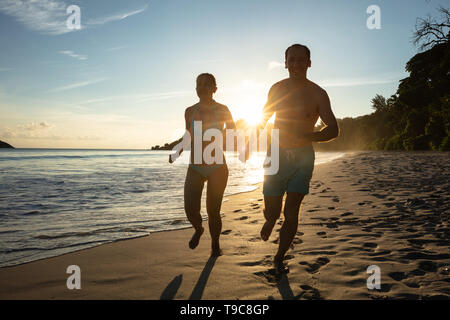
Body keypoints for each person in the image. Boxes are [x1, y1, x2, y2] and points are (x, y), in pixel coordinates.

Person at [254, 44, 339, 273]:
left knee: (291, 212)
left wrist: (308, 135)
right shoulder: (276, 89)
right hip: (276, 155)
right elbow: (263, 117)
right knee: (272, 210)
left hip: (303, 158)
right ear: (285, 63)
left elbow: (333, 129)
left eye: (301, 60)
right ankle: (270, 220)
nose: (296, 65)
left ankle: (279, 257)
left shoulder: (318, 93)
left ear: (309, 63)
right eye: (292, 60)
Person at [169, 73, 236, 257]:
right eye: (199, 84)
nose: (202, 88)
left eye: (207, 85)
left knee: (213, 211)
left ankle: (215, 243)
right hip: (196, 166)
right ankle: (198, 229)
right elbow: (188, 134)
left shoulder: (223, 109)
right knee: (190, 210)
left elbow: (232, 134)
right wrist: (178, 150)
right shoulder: (189, 111)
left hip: (217, 167)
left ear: (215, 89)